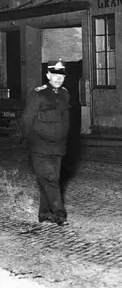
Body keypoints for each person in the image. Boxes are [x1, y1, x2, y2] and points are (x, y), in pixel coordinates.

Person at [20, 60, 70, 226]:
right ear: (48, 75)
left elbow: (65, 119)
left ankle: (44, 213)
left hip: (58, 147)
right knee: (50, 179)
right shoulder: (38, 94)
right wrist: (33, 142)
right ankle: (59, 213)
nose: (58, 78)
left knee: (50, 179)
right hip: (40, 147)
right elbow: (26, 121)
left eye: (61, 75)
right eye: (54, 75)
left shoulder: (64, 94)